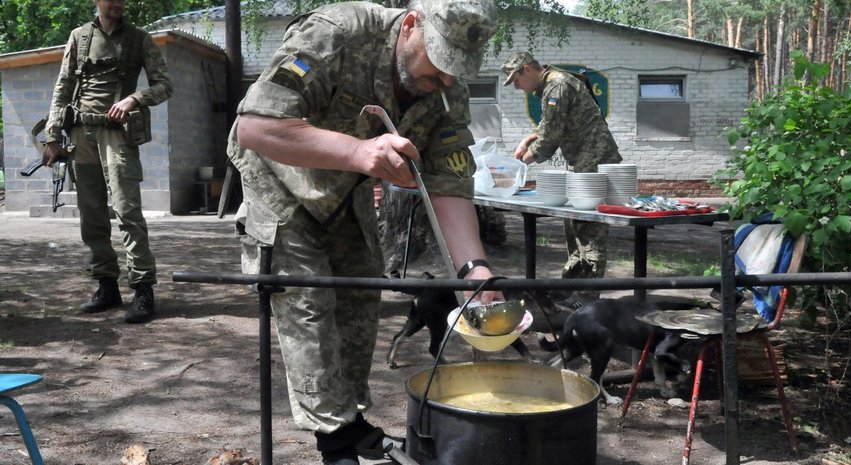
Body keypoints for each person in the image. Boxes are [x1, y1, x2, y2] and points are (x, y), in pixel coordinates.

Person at [227, 0, 499, 463]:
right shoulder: (336, 32)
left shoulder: (448, 90)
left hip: (344, 191)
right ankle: (335, 444)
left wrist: (474, 270)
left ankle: (348, 422)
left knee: (360, 296)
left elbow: (449, 183)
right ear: (412, 25)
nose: (448, 80)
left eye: (460, 69)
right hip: (278, 185)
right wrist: (358, 153)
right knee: (309, 302)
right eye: (441, 63)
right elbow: (254, 127)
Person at [42, 0, 172, 324]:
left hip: (117, 134)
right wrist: (52, 135)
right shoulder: (79, 37)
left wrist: (134, 98)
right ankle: (107, 285)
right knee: (91, 216)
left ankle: (142, 289)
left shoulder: (139, 38)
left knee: (127, 210)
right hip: (81, 134)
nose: (116, 3)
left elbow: (164, 84)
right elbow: (63, 87)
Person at [503, 51, 622, 310]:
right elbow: (550, 124)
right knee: (574, 227)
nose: (516, 86)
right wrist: (527, 140)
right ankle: (571, 289)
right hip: (582, 161)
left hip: (593, 162)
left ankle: (588, 296)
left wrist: (516, 166)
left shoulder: (557, 84)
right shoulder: (553, 83)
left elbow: (551, 136)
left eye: (516, 80)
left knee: (589, 230)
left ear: (527, 70)